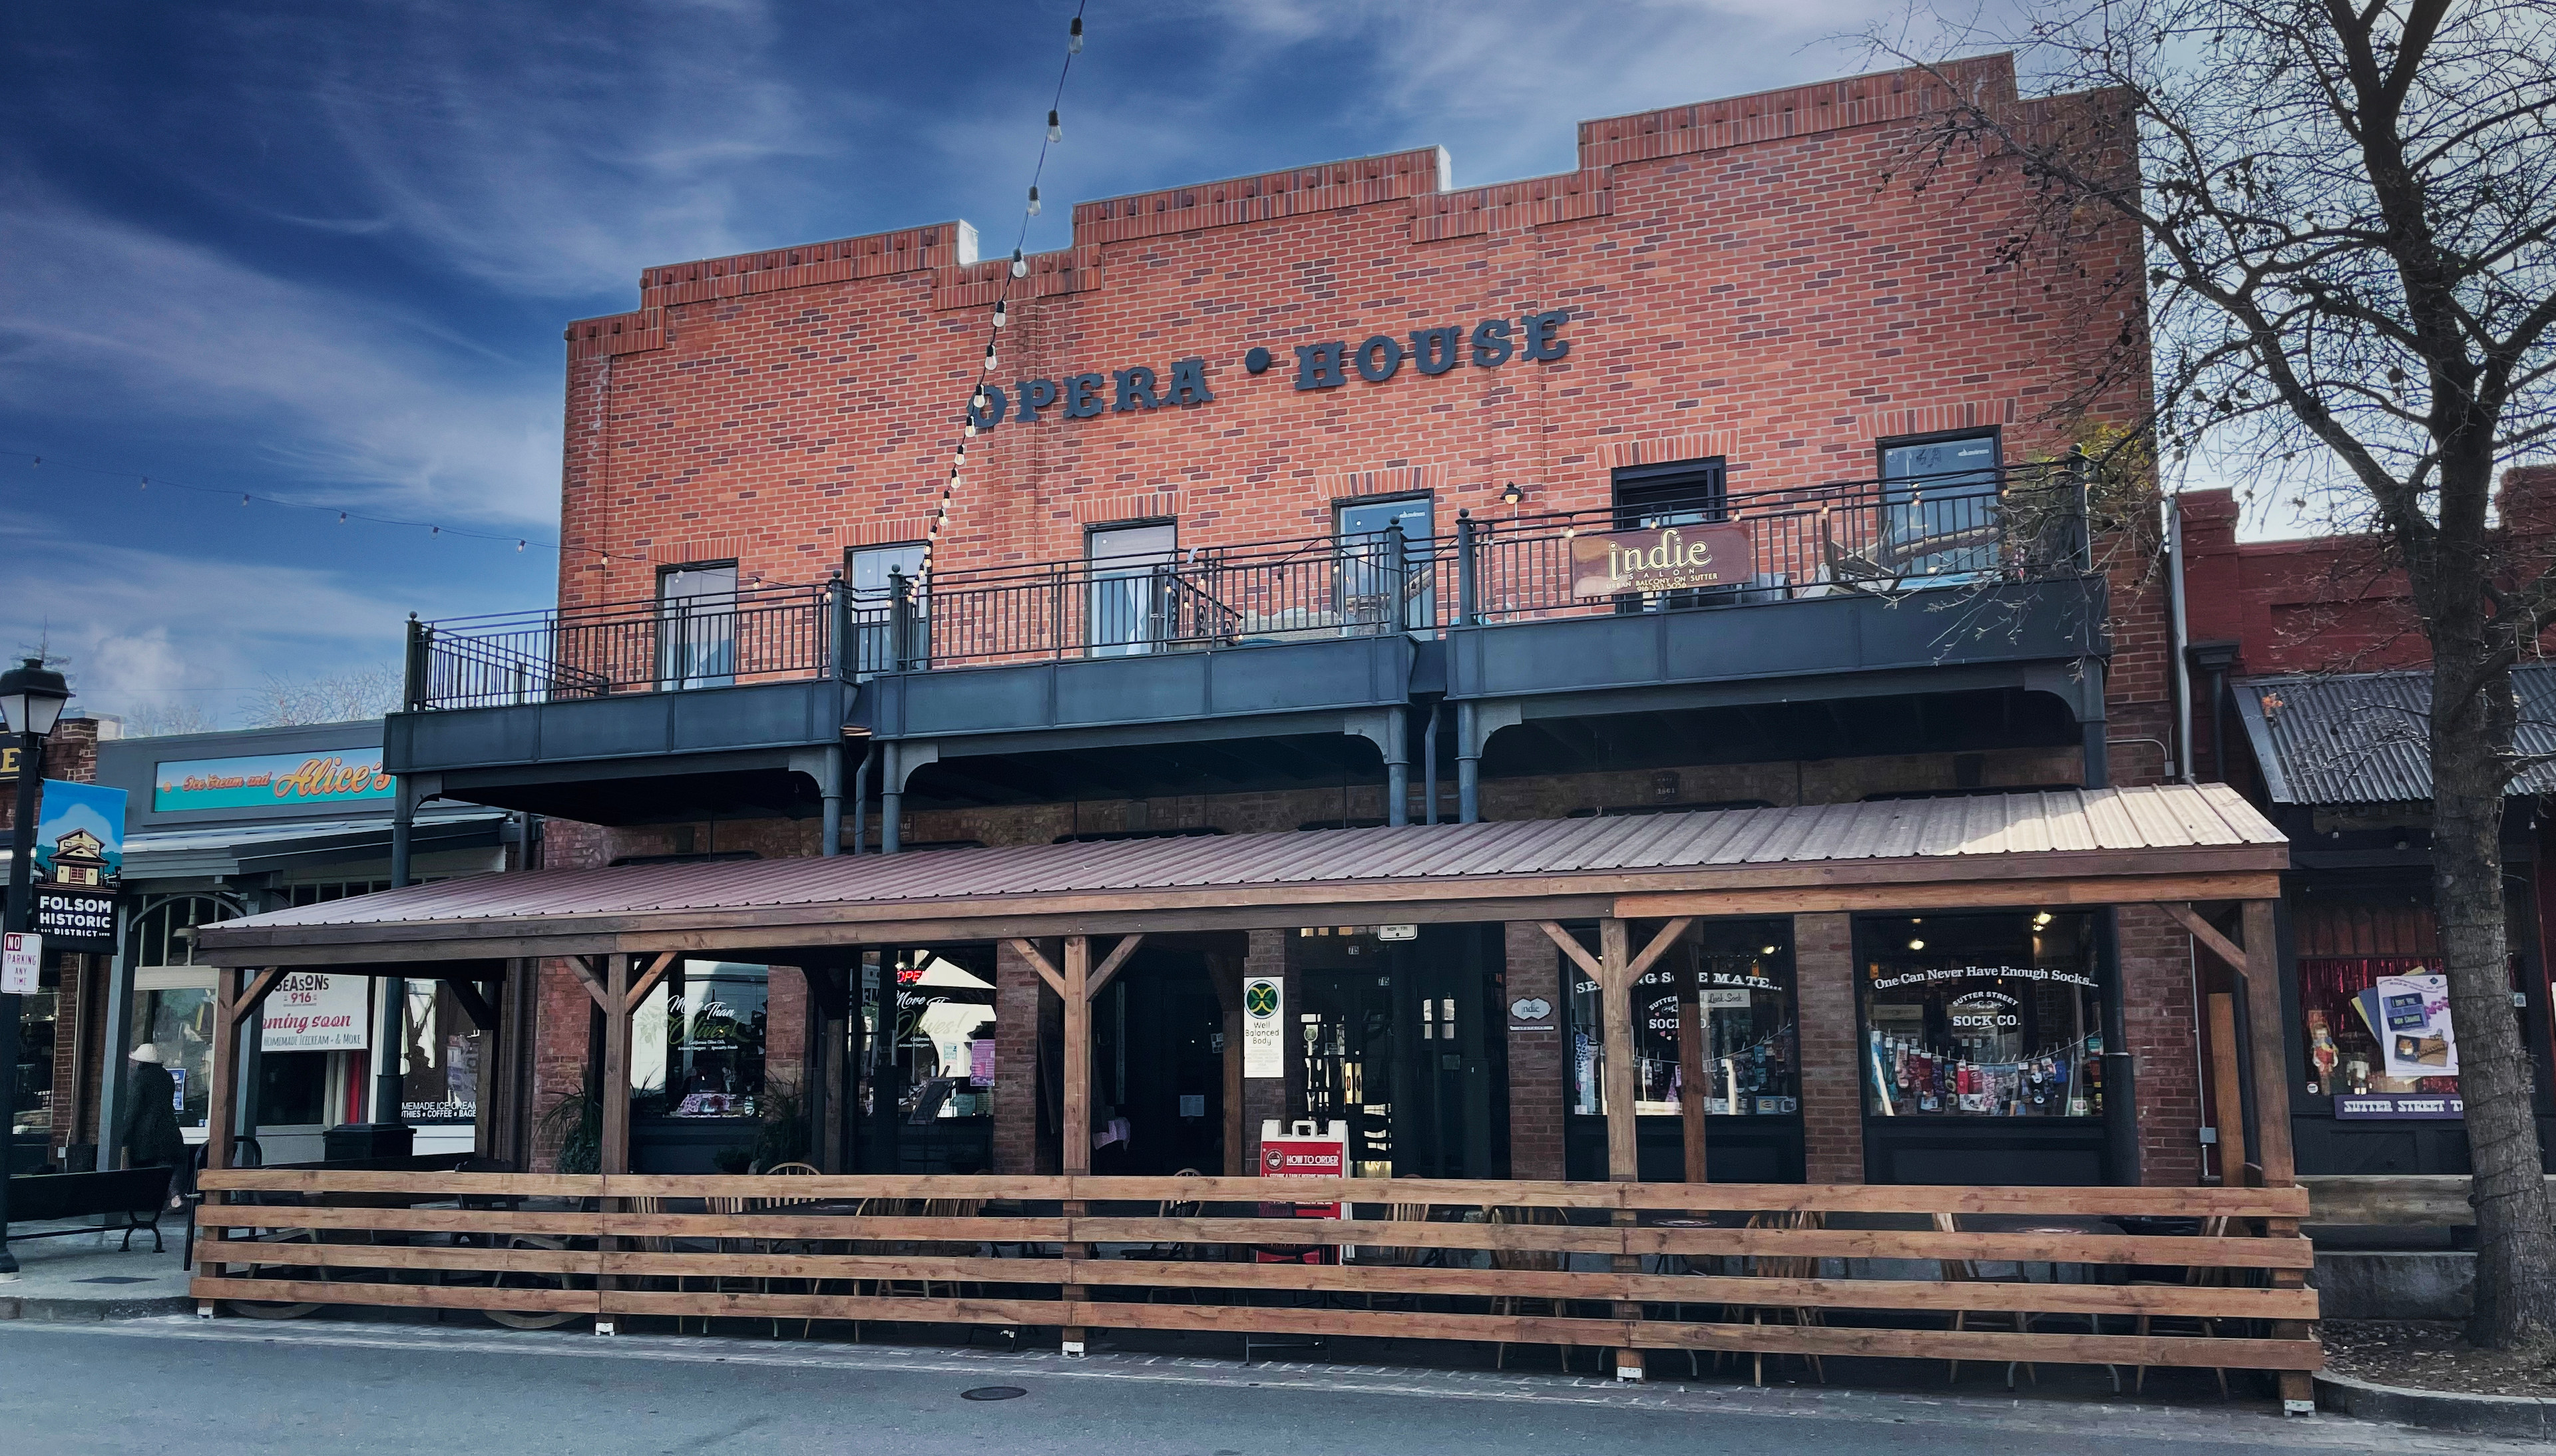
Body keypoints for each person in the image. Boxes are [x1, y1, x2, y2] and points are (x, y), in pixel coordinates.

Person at [122, 1044, 190, 1207]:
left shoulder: (139, 1078)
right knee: (171, 1163)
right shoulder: (167, 1078)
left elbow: (133, 1109)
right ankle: (175, 1197)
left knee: (146, 1170)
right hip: (169, 1128)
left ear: (140, 1062)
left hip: (146, 1135)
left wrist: (124, 1134)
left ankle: (149, 1202)